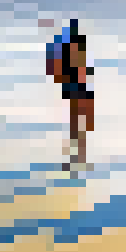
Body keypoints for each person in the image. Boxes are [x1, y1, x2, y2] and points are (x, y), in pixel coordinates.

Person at [49, 21, 94, 166]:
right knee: (77, 122)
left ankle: (78, 156)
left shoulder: (69, 47)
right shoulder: (70, 48)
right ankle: (77, 156)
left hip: (77, 85)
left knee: (79, 122)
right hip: (75, 86)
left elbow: (83, 68)